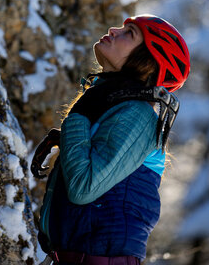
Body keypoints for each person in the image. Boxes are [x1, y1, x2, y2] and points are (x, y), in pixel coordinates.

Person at [31, 15, 191, 265]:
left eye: (130, 33)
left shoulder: (137, 114)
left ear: (148, 62)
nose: (113, 30)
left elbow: (84, 188)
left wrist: (79, 115)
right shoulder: (114, 105)